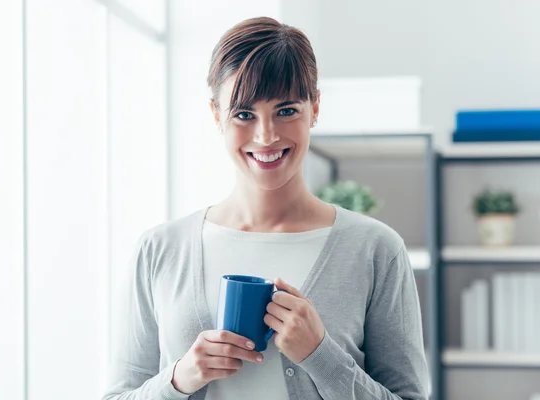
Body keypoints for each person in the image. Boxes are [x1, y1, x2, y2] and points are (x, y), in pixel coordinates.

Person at [103, 16, 429, 400]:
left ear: (315, 107)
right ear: (216, 116)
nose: (266, 135)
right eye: (244, 114)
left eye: (286, 110)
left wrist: (320, 356)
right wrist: (179, 379)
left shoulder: (376, 249)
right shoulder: (159, 249)